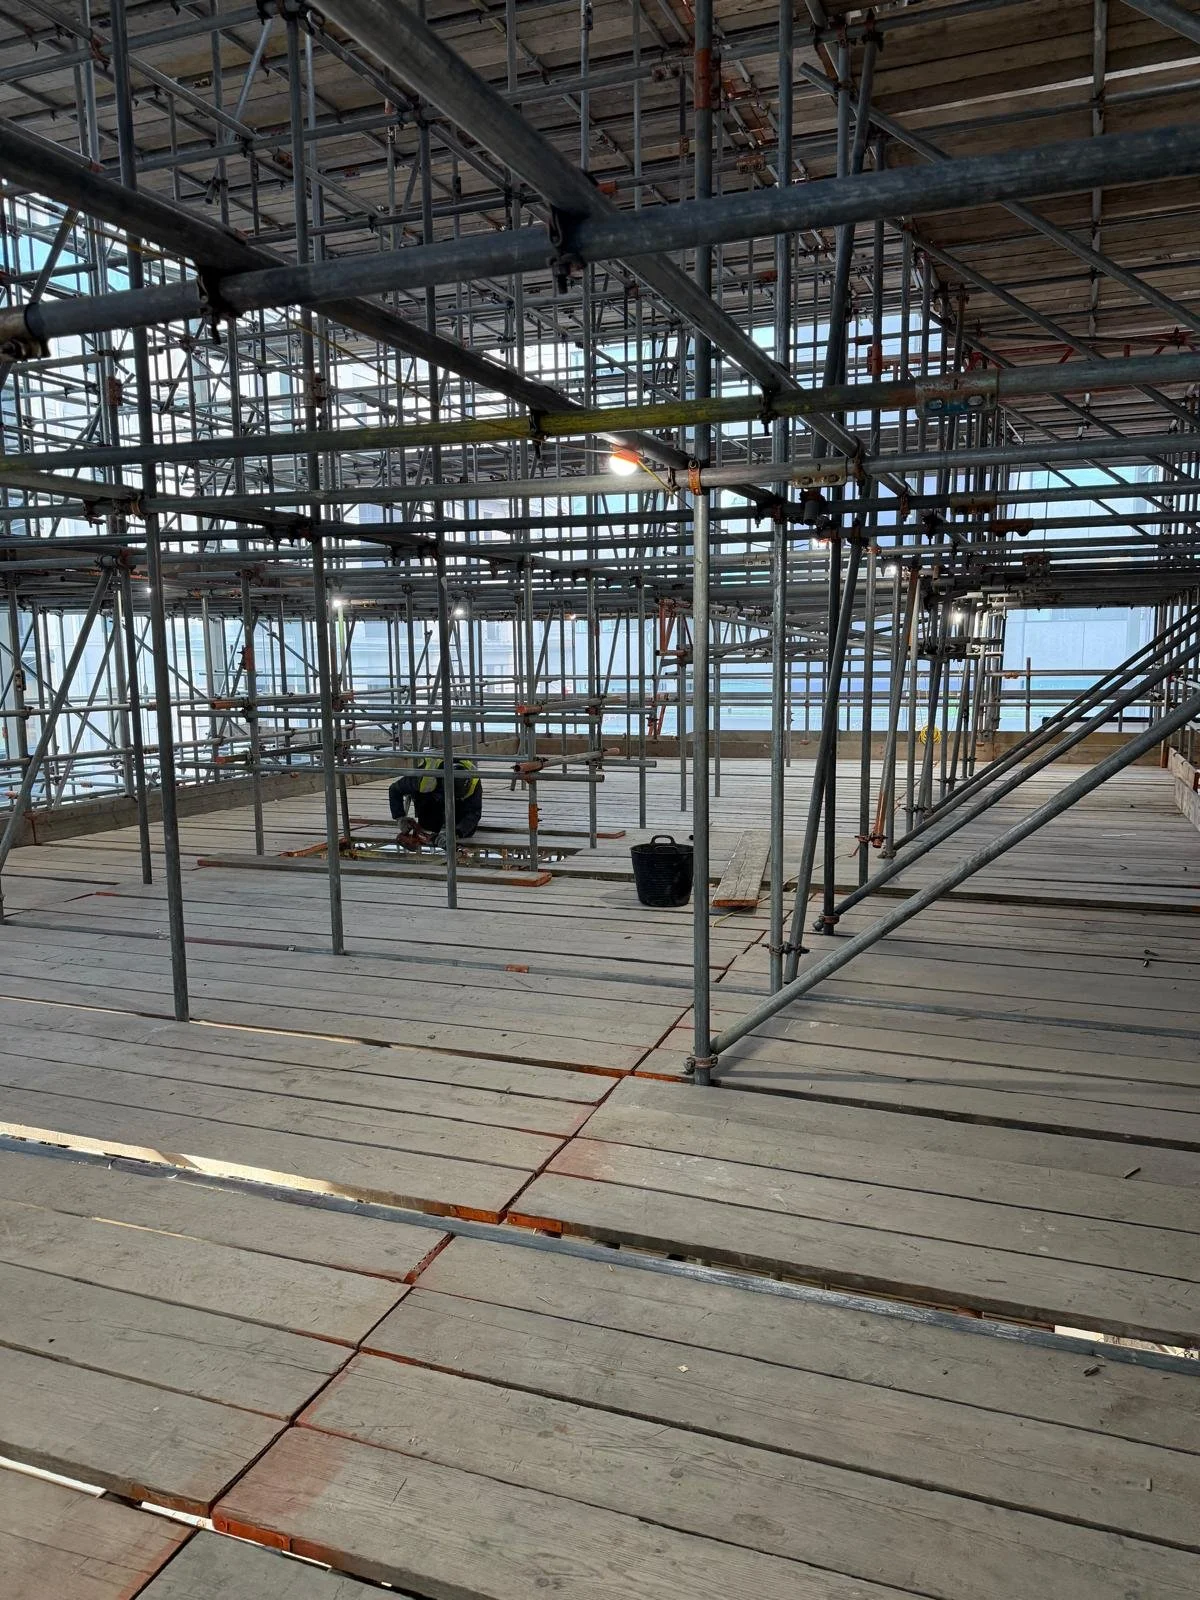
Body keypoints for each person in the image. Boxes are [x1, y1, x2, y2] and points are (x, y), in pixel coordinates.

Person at [389, 755, 483, 848]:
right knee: (429, 827)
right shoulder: (426, 776)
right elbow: (395, 789)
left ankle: (451, 829)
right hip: (432, 800)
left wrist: (454, 833)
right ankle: (431, 824)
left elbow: (474, 813)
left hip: (457, 808)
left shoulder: (474, 781)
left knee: (468, 830)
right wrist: (400, 817)